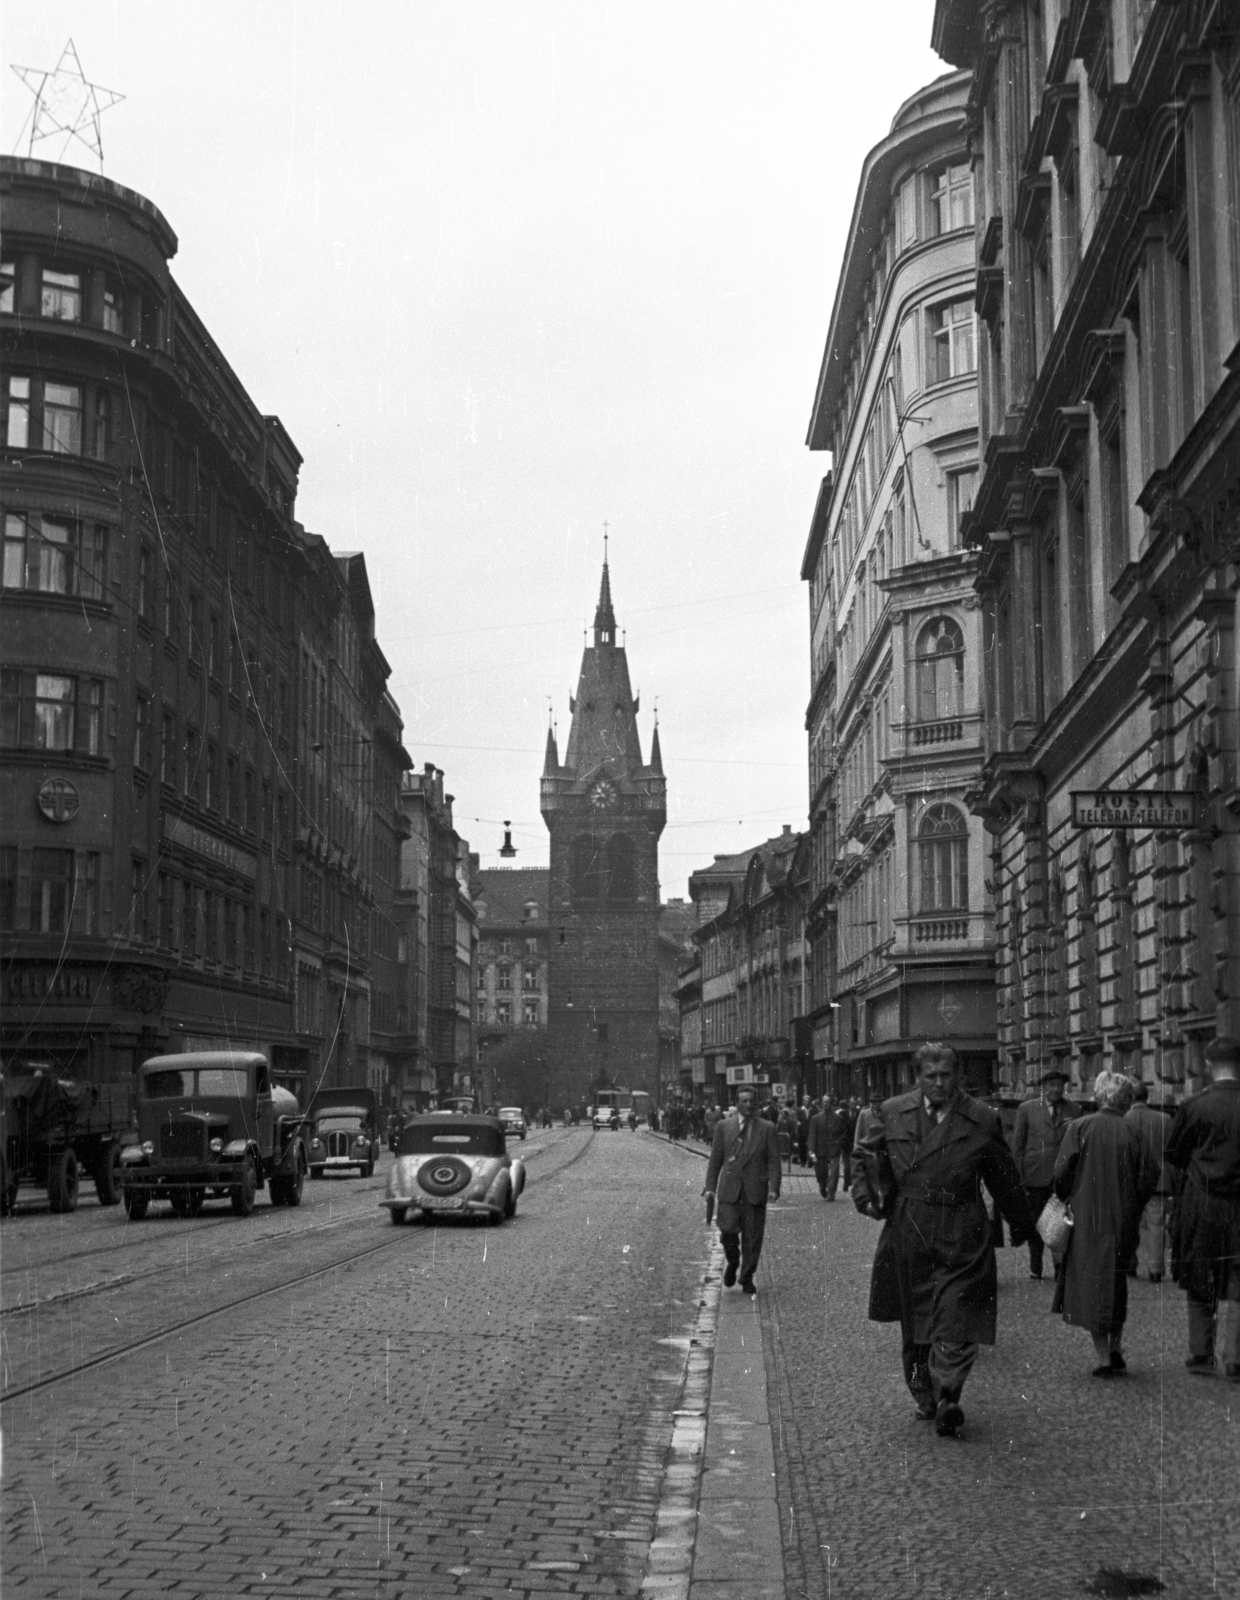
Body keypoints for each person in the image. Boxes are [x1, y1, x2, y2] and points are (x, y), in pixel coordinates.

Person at [852, 1042, 1034, 1437]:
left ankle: (949, 1391)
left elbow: (1003, 1176)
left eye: (946, 1075)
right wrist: (865, 1196)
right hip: (909, 1229)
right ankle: (925, 1395)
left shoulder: (981, 1118)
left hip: (962, 1228)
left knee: (958, 1315)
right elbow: (866, 1157)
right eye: (930, 1076)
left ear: (959, 1076)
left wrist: (1022, 1222)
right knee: (915, 1323)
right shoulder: (892, 1112)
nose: (939, 1083)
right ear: (917, 1077)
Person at [1052, 1071, 1159, 1376]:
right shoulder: (1132, 1131)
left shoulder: (1079, 1127)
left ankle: (1103, 1355)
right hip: (1122, 1218)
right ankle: (1115, 1345)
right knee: (1117, 1283)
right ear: (1125, 1100)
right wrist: (1134, 1203)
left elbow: (1061, 1173)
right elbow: (1149, 1175)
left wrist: (1067, 1195)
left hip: (1087, 1217)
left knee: (1091, 1284)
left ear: (1099, 1096)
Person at [1164, 1035, 1240, 1380]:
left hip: (1201, 1201)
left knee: (1199, 1273)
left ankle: (1201, 1353)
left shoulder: (1194, 1105)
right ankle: (1236, 1358)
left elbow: (1174, 1153)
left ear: (1209, 1065)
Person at [704, 1086, 782, 1296]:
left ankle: (746, 1277)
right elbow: (715, 1161)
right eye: (744, 1101)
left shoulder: (767, 1128)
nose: (748, 1105)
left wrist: (774, 1188)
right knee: (727, 1230)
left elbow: (774, 1161)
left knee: (753, 1238)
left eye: (751, 1101)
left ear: (756, 1103)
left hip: (755, 1190)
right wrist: (710, 1187)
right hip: (730, 1190)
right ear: (737, 1104)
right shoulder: (724, 1127)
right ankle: (733, 1260)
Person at [1011, 1067, 1080, 1280]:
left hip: (1062, 1176)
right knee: (1036, 1221)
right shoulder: (1027, 1109)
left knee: (1060, 1222)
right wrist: (1019, 1176)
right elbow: (1018, 1146)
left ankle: (1059, 1267)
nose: (1056, 1089)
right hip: (1035, 1175)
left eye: (1059, 1085)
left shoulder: (1074, 1109)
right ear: (1043, 1087)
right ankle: (1035, 1263)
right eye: (1051, 1085)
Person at [1125, 1080, 1172, 1281]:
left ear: (1129, 1098)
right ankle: (1155, 1269)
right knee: (1157, 1224)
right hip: (1158, 1181)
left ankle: (1130, 1264)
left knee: (1130, 1223)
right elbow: (1171, 1152)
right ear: (1147, 1097)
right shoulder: (1164, 1119)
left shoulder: (1124, 1118)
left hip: (1132, 1181)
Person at [808, 1098, 846, 1200]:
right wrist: (811, 1150)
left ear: (831, 1104)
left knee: (834, 1173)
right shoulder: (816, 1118)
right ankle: (822, 1187)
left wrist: (838, 1141)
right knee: (820, 1172)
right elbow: (812, 1134)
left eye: (827, 1102)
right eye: (823, 1102)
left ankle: (831, 1193)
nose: (825, 1104)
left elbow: (844, 1132)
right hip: (819, 1150)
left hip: (834, 1149)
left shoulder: (838, 1118)